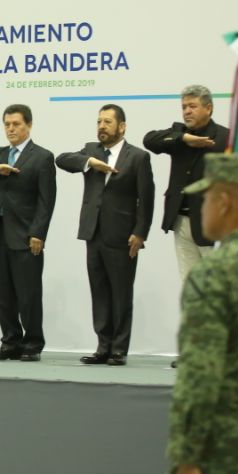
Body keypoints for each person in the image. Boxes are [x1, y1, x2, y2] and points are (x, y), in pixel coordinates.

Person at [167, 153, 238, 474]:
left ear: (226, 203)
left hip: (225, 472)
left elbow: (199, 378)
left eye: (206, 199)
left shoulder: (215, 276)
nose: (201, 209)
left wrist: (187, 461)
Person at [56, 104, 155, 366]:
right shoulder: (91, 150)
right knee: (99, 292)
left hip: (123, 236)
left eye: (107, 122)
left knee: (121, 292)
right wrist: (89, 162)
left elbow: (146, 199)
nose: (101, 126)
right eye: (99, 121)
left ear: (122, 127)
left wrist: (140, 233)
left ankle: (119, 349)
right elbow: (62, 159)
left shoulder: (138, 157)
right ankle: (103, 346)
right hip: (93, 232)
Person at [0, 104, 56, 362]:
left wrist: (38, 233)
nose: (11, 129)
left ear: (28, 125)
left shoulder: (42, 156)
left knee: (28, 293)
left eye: (16, 124)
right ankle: (10, 341)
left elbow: (46, 200)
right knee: (3, 293)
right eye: (7, 124)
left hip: (27, 235)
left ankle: (33, 343)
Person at [144, 85, 229, 284]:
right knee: (189, 284)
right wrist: (182, 138)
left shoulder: (226, 138)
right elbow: (149, 140)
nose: (187, 111)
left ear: (208, 108)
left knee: (217, 286)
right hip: (181, 222)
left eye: (192, 106)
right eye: (184, 107)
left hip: (212, 224)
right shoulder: (178, 135)